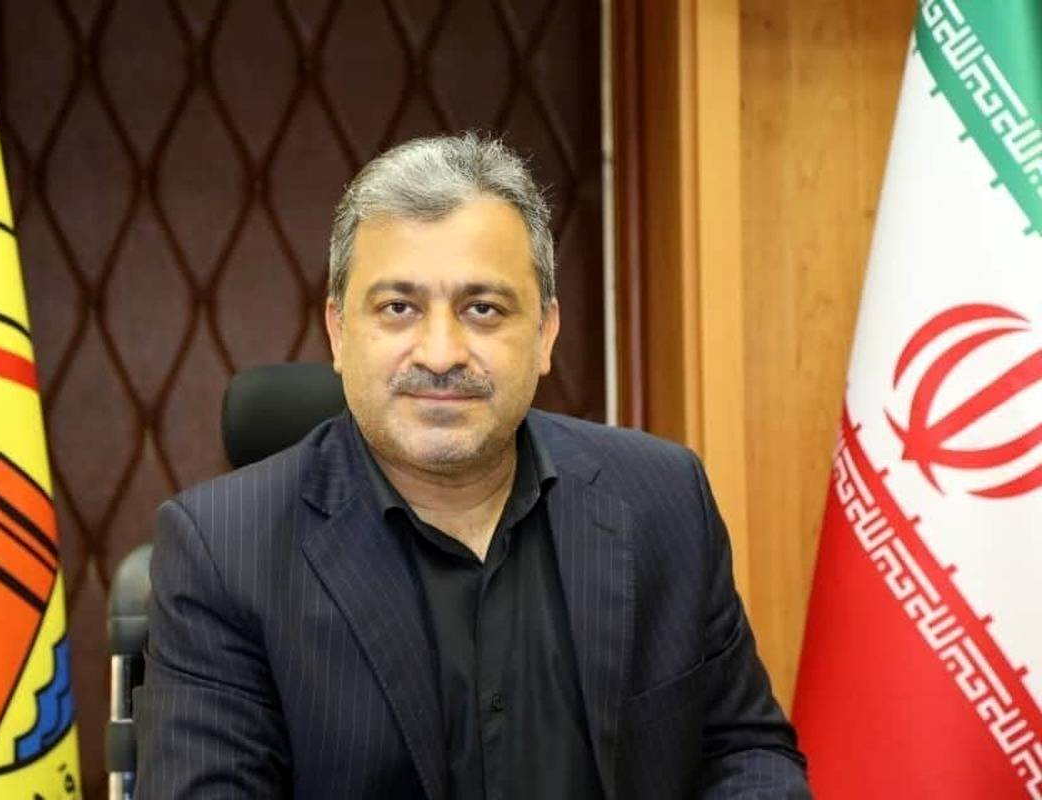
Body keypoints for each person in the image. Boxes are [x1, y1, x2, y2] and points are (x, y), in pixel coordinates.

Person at [135, 133, 809, 798]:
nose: (440, 353)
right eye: (399, 308)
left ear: (544, 333)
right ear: (339, 332)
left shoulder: (664, 500)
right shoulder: (224, 552)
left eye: (482, 309)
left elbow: (743, 753)